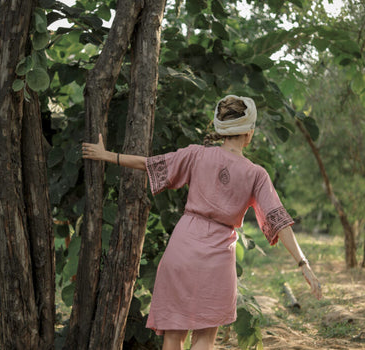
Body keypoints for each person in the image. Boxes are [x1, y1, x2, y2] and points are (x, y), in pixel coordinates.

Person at [82, 95, 322, 350]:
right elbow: (278, 220)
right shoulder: (256, 174)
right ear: (248, 134)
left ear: (222, 130)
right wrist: (303, 263)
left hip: (183, 245)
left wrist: (107, 155)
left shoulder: (196, 155)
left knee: (173, 336)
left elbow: (150, 164)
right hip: (219, 254)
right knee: (205, 338)